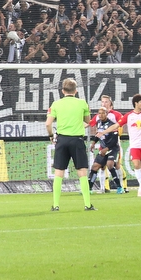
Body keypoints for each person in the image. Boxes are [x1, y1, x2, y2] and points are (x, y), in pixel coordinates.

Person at [45, 78, 94, 211]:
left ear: (62, 91)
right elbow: (88, 121)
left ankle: (55, 205)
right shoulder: (82, 103)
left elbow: (48, 124)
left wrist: (51, 136)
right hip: (77, 140)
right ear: (76, 90)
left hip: (62, 140)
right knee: (82, 172)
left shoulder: (56, 104)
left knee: (59, 172)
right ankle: (87, 204)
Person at [88, 107, 124, 193]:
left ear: (106, 114)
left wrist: (106, 149)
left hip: (112, 148)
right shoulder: (99, 123)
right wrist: (93, 143)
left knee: (109, 164)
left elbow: (115, 140)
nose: (100, 115)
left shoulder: (112, 125)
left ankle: (119, 187)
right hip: (104, 149)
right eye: (99, 113)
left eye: (102, 113)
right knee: (95, 167)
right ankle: (89, 189)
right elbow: (98, 134)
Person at [117, 94, 141, 197]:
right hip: (134, 145)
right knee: (136, 165)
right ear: (136, 103)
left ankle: (140, 188)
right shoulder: (129, 116)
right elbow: (117, 125)